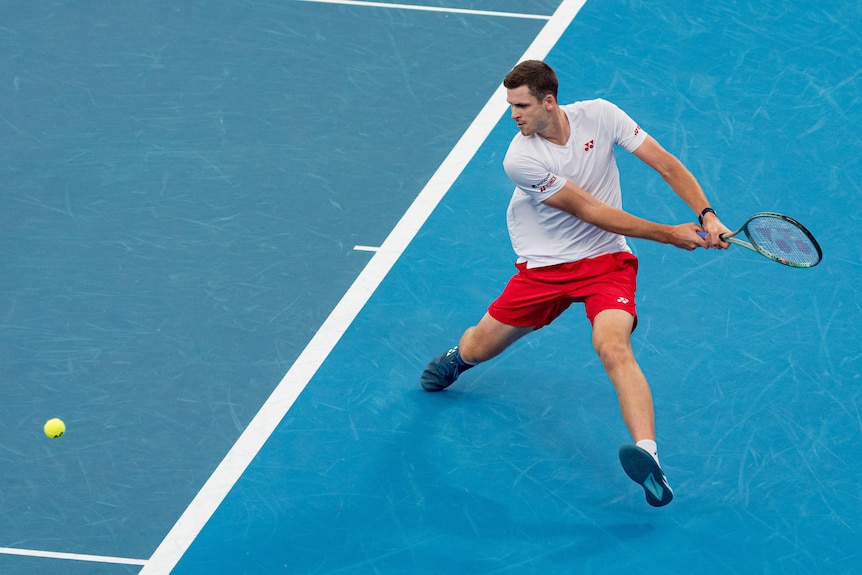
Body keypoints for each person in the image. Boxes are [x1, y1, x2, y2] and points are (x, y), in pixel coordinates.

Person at [419, 60, 730, 507]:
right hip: (546, 268)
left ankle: (650, 457)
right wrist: (670, 233)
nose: (513, 115)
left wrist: (707, 214)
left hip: (607, 262)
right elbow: (590, 210)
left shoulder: (601, 115)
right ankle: (458, 359)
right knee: (478, 347)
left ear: (549, 101)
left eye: (521, 105)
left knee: (613, 346)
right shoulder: (520, 158)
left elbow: (665, 164)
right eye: (510, 106)